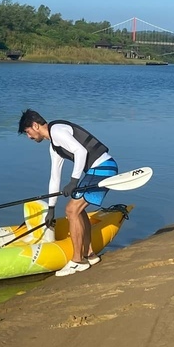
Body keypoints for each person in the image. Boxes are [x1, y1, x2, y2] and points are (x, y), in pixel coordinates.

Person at [17, 109, 118, 277]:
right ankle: (90, 254)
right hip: (96, 170)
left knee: (72, 210)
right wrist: (51, 208)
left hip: (103, 167)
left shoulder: (56, 131)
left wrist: (73, 181)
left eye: (28, 132)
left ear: (35, 126)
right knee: (78, 210)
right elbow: (54, 178)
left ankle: (77, 261)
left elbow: (81, 152)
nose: (29, 137)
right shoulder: (54, 147)